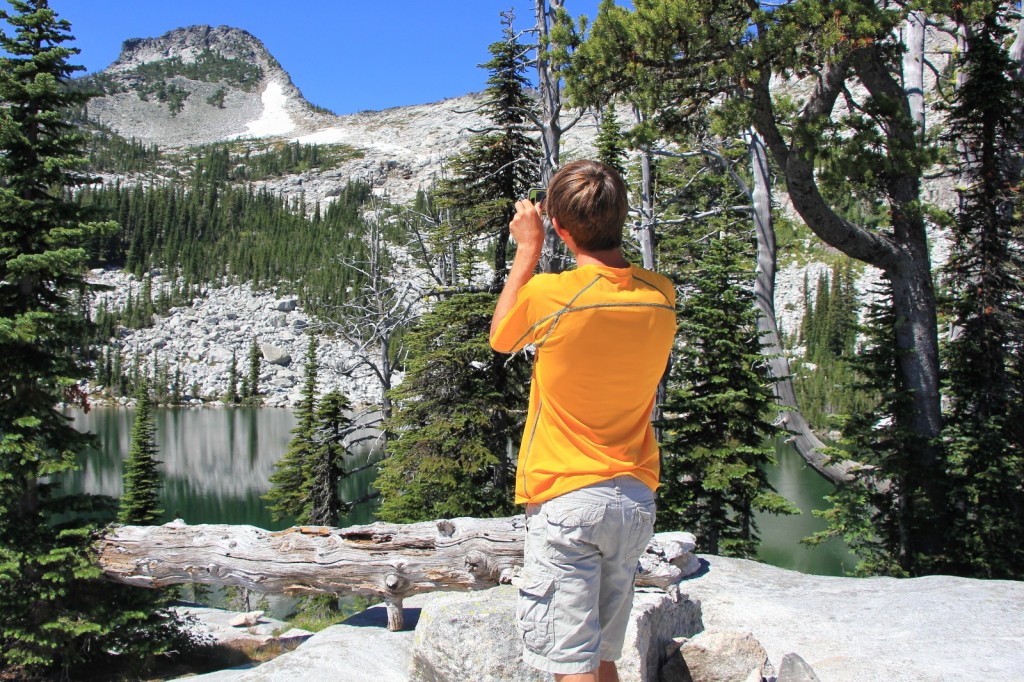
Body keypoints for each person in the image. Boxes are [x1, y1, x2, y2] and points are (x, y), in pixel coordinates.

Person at [489, 160, 676, 682]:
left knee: (568, 664)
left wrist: (528, 248)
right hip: (634, 499)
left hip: (569, 498)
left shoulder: (553, 294)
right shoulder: (661, 295)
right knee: (602, 659)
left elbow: (502, 336)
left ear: (561, 229)